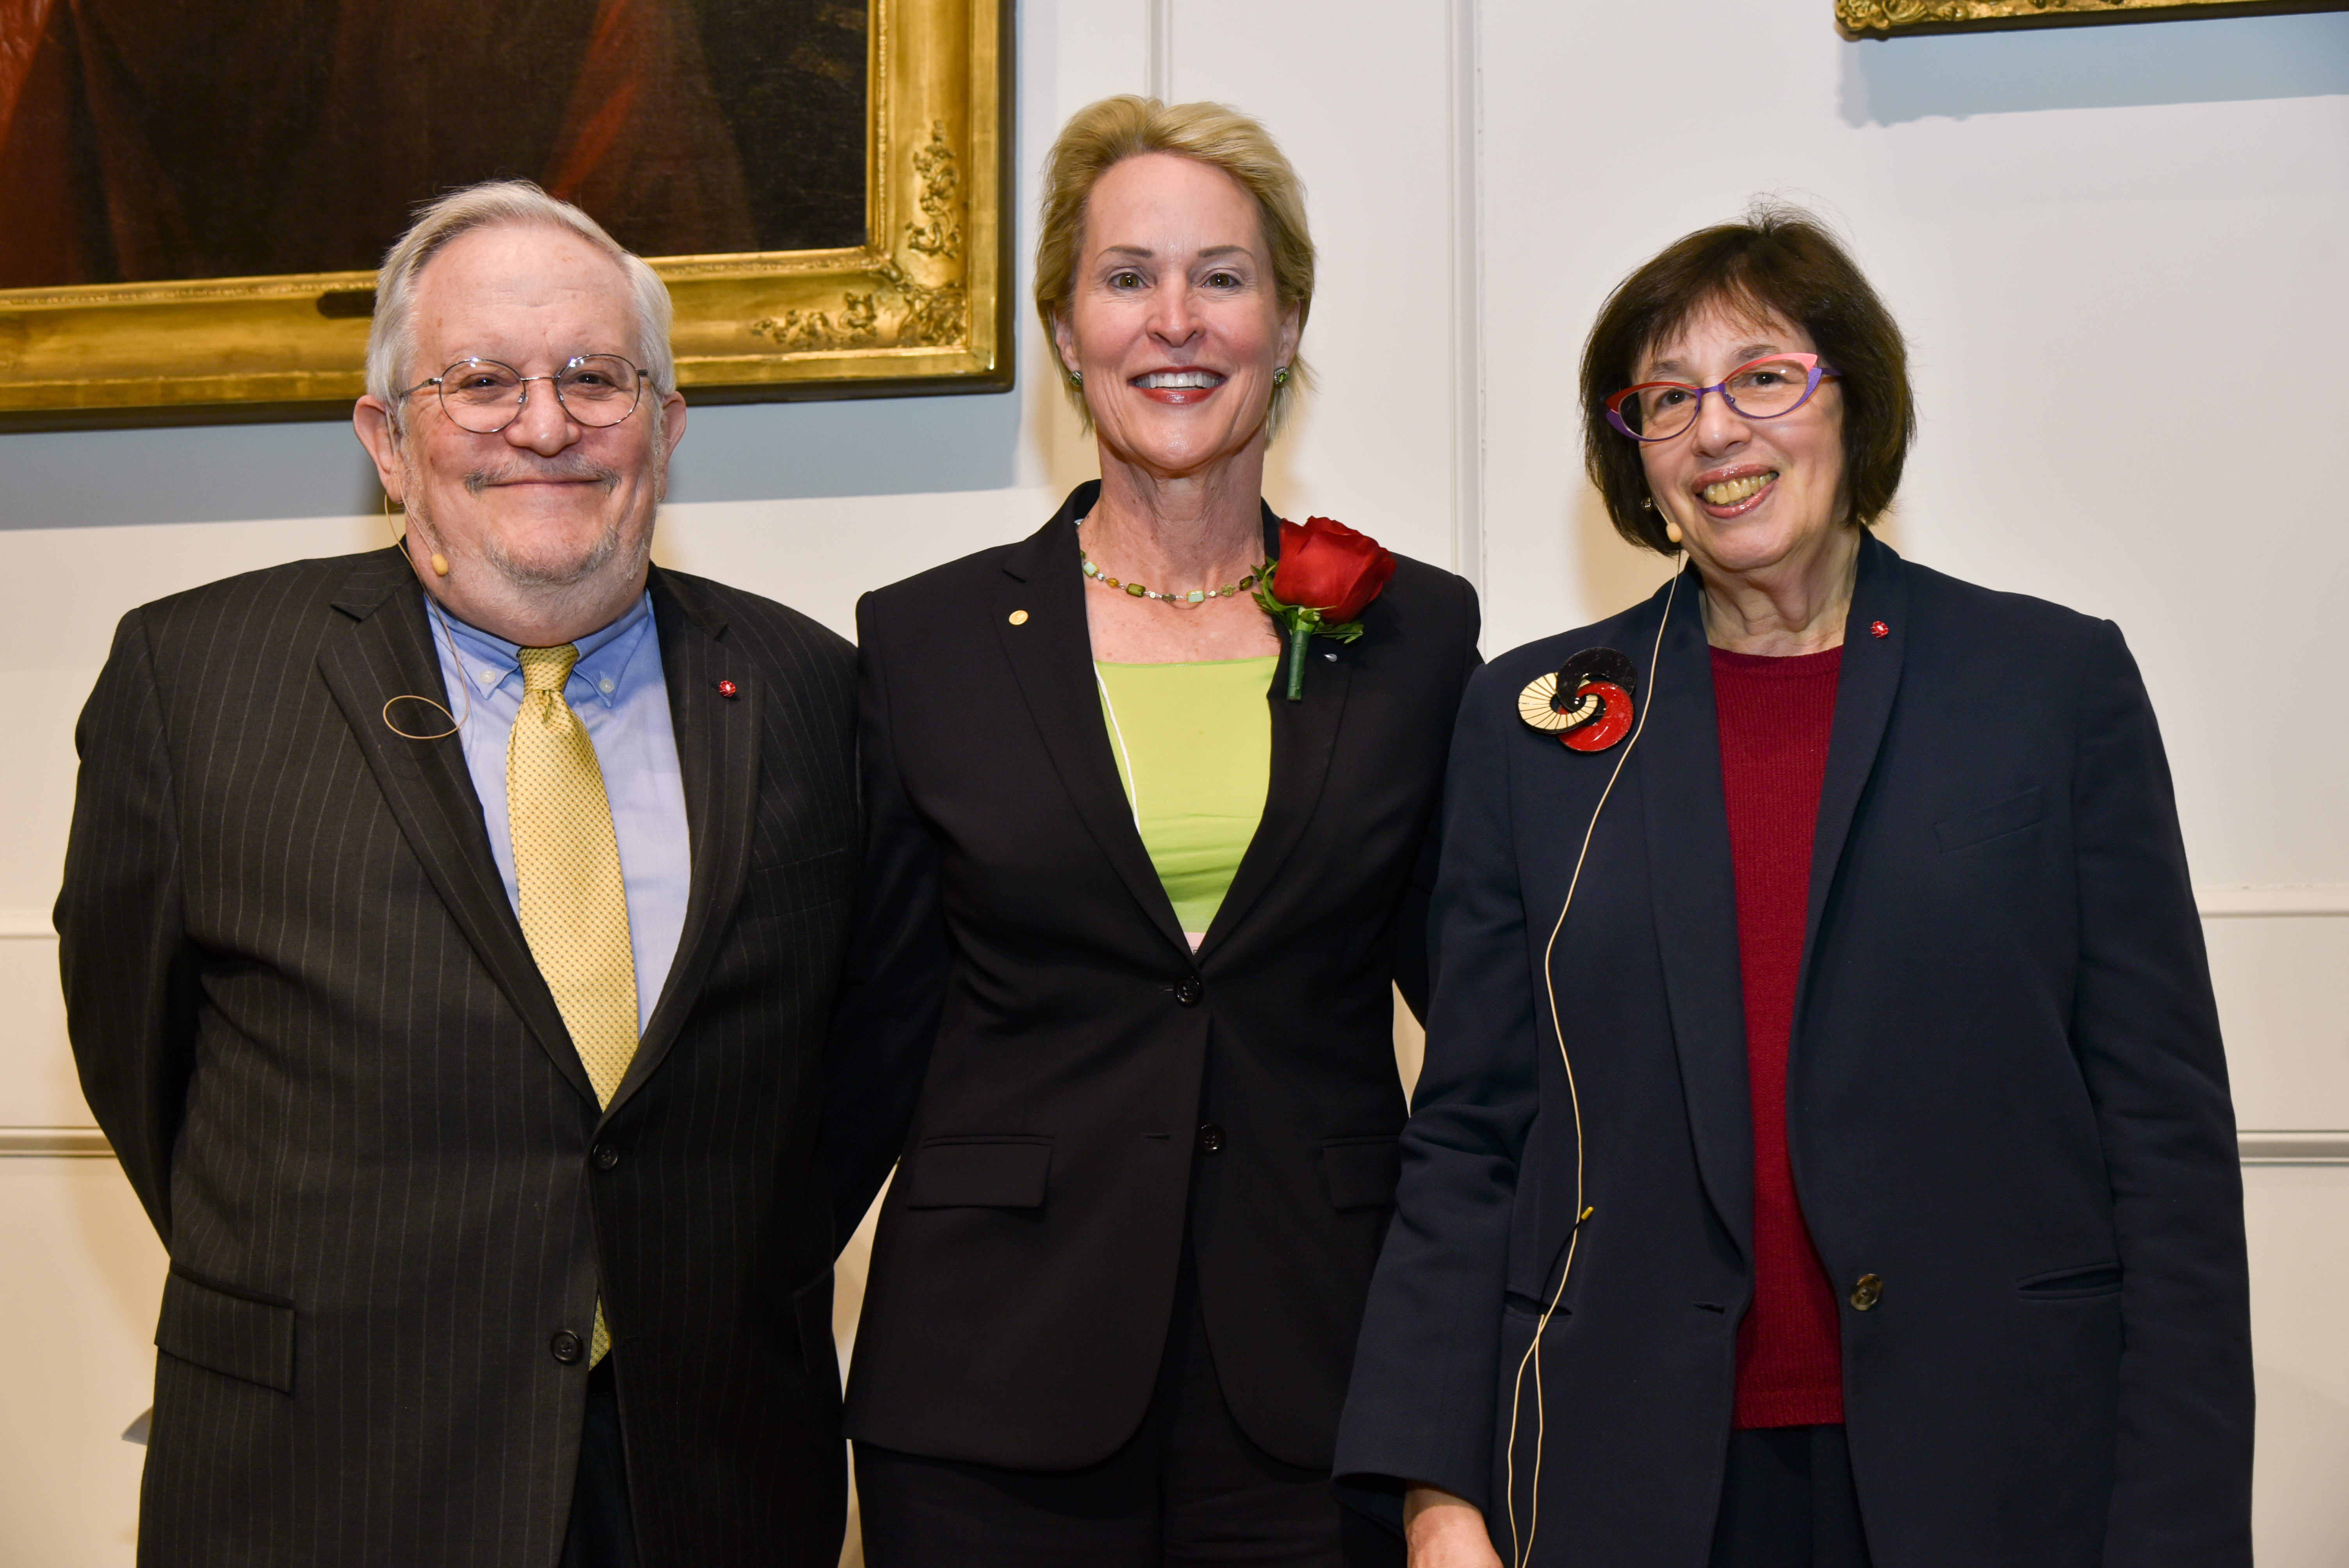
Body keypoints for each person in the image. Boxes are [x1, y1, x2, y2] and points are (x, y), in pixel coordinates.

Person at [1332, 210, 2253, 1568]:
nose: (1716, 432)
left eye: (1764, 377)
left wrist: (2174, 1529)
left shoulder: (2050, 689)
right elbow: (1473, 1131)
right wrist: (1437, 1489)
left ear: (1853, 401)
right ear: (1632, 453)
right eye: (1666, 399)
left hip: (1994, 1462)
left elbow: (2163, 1144)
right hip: (1630, 1472)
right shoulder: (1531, 722)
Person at [55, 181, 859, 1568]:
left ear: (665, 422)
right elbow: (140, 1055)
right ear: (387, 436)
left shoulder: (813, 692)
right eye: (482, 381)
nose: (544, 426)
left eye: (594, 379)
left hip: (703, 1476)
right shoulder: (195, 683)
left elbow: (855, 1072)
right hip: (327, 1469)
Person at [822, 96, 1481, 1566]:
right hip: (991, 1386)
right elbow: (870, 1029)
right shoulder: (926, 640)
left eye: (1223, 278)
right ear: (1065, 326)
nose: (1173, 322)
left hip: (1323, 1375)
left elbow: (1485, 1017)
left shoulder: (1422, 634)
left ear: (1289, 320)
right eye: (1126, 278)